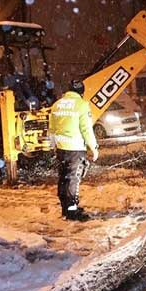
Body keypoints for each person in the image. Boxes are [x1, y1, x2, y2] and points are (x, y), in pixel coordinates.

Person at [49, 79, 99, 221]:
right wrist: (93, 147)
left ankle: (65, 207)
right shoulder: (82, 105)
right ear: (81, 92)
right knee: (73, 179)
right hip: (75, 148)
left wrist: (54, 146)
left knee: (63, 177)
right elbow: (86, 129)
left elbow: (51, 129)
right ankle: (72, 210)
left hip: (61, 149)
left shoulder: (57, 105)